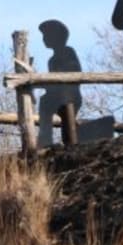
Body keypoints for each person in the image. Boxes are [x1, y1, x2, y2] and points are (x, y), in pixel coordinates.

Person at [36, 19, 82, 148]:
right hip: (56, 96)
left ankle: (71, 142)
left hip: (69, 95)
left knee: (66, 103)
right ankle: (45, 140)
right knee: (45, 101)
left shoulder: (68, 52)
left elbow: (74, 71)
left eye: (46, 35)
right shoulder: (51, 60)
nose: (44, 39)